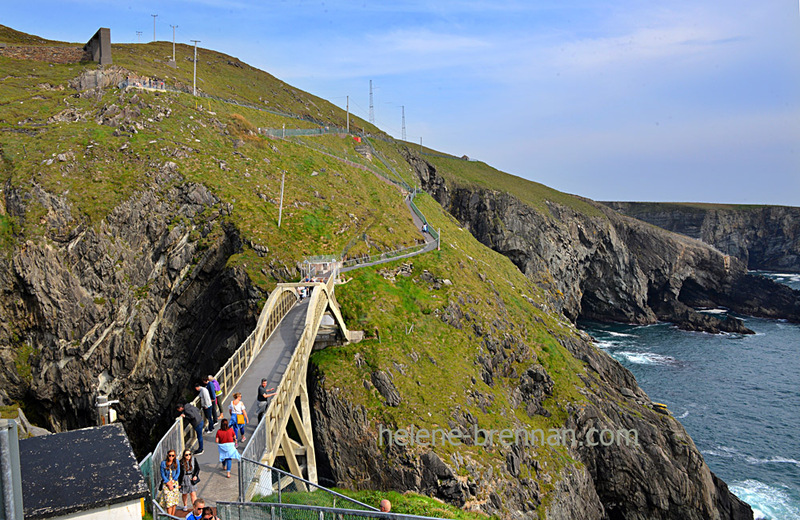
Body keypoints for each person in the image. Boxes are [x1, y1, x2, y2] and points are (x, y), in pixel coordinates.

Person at [159, 450, 181, 516]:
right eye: (170, 455)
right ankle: (169, 516)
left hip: (174, 482)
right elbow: (162, 474)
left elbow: (178, 472)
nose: (171, 457)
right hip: (167, 483)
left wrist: (173, 481)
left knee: (174, 501)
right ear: (167, 455)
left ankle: (173, 516)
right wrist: (168, 482)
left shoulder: (177, 462)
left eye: (173, 455)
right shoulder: (163, 463)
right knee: (169, 503)